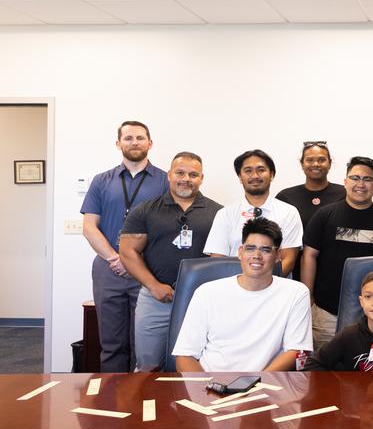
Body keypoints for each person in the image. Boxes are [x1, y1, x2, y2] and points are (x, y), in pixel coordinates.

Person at [119, 152, 222, 371]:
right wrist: (154, 286)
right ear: (169, 175)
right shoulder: (146, 210)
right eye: (180, 173)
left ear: (202, 178)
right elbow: (128, 252)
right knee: (149, 366)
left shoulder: (218, 213)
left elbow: (222, 258)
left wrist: (203, 292)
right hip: (156, 300)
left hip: (202, 302)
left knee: (199, 365)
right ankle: (148, 405)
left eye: (193, 174)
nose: (186, 178)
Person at [80, 120, 169, 372]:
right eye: (128, 138)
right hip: (109, 270)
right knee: (111, 343)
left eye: (140, 138)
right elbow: (89, 227)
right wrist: (115, 258)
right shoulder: (101, 181)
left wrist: (132, 261)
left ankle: (140, 403)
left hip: (147, 271)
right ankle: (111, 403)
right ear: (118, 143)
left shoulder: (165, 181)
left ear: (150, 143)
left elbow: (166, 228)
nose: (134, 142)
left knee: (143, 344)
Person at [172, 218, 312, 372]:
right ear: (240, 252)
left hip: (266, 385)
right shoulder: (207, 292)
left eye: (265, 250)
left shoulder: (296, 293)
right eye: (250, 248)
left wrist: (255, 385)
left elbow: (298, 351)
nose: (256, 255)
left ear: (278, 255)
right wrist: (206, 389)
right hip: (211, 384)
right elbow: (185, 356)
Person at [302, 156, 373, 349]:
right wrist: (308, 296)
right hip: (326, 313)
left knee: (365, 370)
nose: (361, 184)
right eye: (355, 178)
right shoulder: (324, 215)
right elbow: (309, 255)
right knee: (325, 370)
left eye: (367, 179)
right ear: (345, 182)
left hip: (372, 315)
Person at [203, 149, 303, 277]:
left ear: (271, 175)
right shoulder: (225, 214)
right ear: (240, 177)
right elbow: (217, 261)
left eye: (261, 170)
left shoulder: (289, 212)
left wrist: (261, 286)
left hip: (276, 289)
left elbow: (288, 260)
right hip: (233, 289)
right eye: (248, 171)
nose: (255, 176)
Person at [276, 141, 346, 280]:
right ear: (302, 164)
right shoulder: (285, 196)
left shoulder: (344, 194)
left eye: (321, 160)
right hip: (294, 267)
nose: (316, 164)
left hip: (334, 267)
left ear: (330, 163)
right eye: (310, 160)